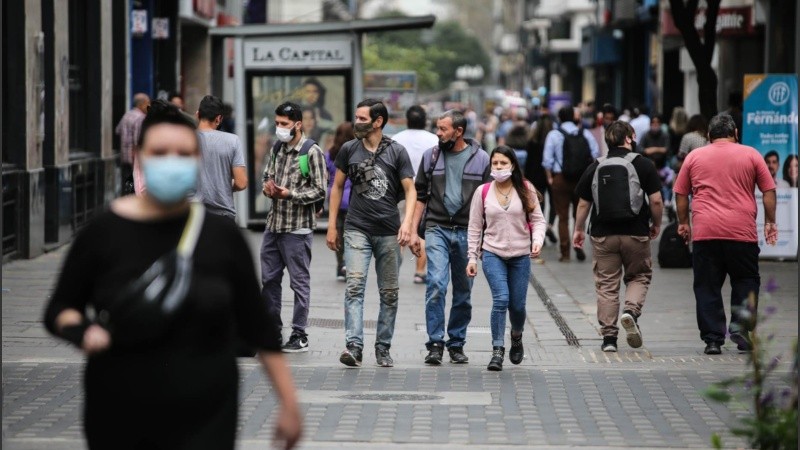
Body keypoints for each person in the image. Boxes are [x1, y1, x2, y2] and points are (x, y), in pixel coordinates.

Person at [43, 100, 302, 450]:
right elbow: (60, 308)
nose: (171, 161)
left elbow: (258, 326)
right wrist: (82, 332)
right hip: (120, 411)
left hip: (206, 417)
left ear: (197, 160)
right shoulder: (103, 232)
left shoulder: (222, 238)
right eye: (160, 152)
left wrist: (288, 403)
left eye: (183, 154)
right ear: (140, 156)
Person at [673, 114, 778, 355]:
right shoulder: (751, 154)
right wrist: (770, 222)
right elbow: (768, 190)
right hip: (742, 233)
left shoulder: (694, 156)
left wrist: (683, 223)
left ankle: (712, 340)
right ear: (736, 133)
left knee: (707, 285)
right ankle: (740, 326)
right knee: (746, 280)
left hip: (705, 232)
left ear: (709, 136)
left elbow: (681, 192)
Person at [326, 98, 416, 368]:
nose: (358, 122)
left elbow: (411, 190)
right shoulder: (349, 149)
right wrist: (332, 226)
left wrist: (407, 224)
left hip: (389, 231)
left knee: (389, 293)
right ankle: (354, 345)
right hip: (356, 228)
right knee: (354, 287)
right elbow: (337, 187)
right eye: (357, 117)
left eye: (363, 118)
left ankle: (383, 347)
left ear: (378, 122)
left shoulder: (397, 151)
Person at [572, 121, 663, 353]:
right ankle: (630, 312)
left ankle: (609, 339)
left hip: (603, 235)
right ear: (630, 138)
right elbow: (656, 200)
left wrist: (579, 229)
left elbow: (583, 203)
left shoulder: (596, 165)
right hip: (636, 232)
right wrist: (657, 224)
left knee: (607, 285)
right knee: (639, 276)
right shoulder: (643, 164)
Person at [409, 109, 491, 365]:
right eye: (437, 127)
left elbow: (489, 200)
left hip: (469, 231)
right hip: (436, 228)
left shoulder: (482, 159)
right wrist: (412, 231)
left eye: (442, 129)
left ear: (458, 131)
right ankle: (435, 343)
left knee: (464, 291)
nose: (438, 133)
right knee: (435, 284)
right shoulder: (430, 157)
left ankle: (456, 342)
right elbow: (420, 196)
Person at [466, 146, 546, 371]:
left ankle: (517, 335)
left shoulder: (525, 188)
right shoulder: (482, 192)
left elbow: (538, 220)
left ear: (512, 165)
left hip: (521, 255)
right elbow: (474, 227)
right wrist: (472, 258)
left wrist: (537, 240)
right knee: (501, 299)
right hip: (492, 253)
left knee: (517, 306)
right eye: (495, 164)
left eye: (503, 163)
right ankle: (497, 350)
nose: (499, 167)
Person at [261, 102, 327, 353]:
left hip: (297, 229)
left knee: (299, 283)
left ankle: (299, 334)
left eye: (284, 124)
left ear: (298, 124)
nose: (279, 128)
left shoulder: (311, 152)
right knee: (269, 281)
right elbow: (266, 175)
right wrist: (268, 187)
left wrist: (290, 194)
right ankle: (272, 331)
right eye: (277, 123)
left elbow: (320, 190)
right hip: (273, 225)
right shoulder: (277, 147)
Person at [542, 105, 601, 262]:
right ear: (574, 118)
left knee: (562, 217)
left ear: (559, 118)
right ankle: (578, 246)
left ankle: (565, 253)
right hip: (581, 179)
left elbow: (547, 160)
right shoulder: (585, 133)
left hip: (560, 178)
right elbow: (596, 154)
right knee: (579, 215)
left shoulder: (554, 135)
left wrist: (550, 177)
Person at [391, 105, 439, 284]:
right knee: (420, 229)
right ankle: (420, 271)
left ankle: (394, 268)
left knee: (400, 227)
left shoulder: (396, 139)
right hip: (425, 191)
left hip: (400, 190)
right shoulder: (434, 139)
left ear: (407, 120)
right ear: (425, 120)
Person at [194, 95, 248, 221]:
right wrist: (222, 184)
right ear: (219, 119)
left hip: (193, 216)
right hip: (223, 216)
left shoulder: (184, 139)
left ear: (198, 115)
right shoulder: (232, 140)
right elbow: (241, 183)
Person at [326, 122, 355, 281]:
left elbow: (325, 173)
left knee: (336, 232)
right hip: (351, 200)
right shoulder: (354, 152)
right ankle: (348, 264)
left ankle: (340, 265)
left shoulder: (330, 153)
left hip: (335, 200)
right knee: (350, 234)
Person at [526, 114, 558, 245]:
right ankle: (549, 226)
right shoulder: (553, 140)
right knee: (554, 202)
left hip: (535, 175)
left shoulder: (532, 141)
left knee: (539, 202)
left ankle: (540, 229)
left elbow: (529, 160)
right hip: (551, 174)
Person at [115, 93, 150, 195]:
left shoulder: (127, 115)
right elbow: (138, 140)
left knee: (126, 185)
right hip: (135, 159)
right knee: (136, 187)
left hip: (124, 157)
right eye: (147, 103)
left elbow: (118, 130)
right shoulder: (141, 118)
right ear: (142, 104)